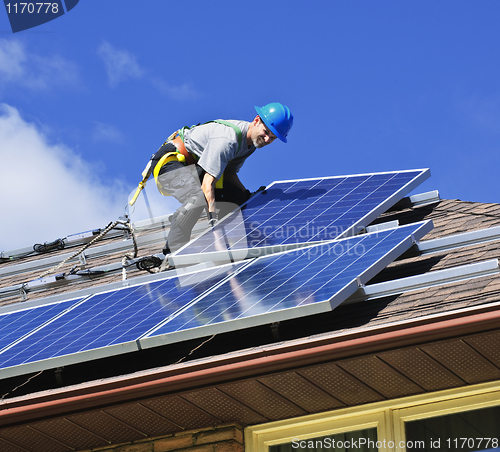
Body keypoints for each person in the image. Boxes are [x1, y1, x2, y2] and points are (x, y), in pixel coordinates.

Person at [149, 102, 293, 255]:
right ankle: (174, 251)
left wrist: (246, 196)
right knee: (198, 198)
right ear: (256, 120)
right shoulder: (229, 140)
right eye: (266, 132)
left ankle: (237, 241)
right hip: (169, 163)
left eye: (272, 138)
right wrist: (213, 220)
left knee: (239, 198)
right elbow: (207, 185)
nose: (266, 139)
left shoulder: (250, 145)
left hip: (194, 168)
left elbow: (229, 173)